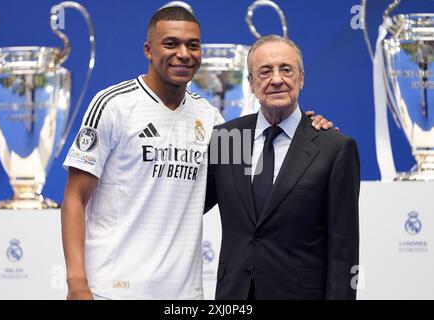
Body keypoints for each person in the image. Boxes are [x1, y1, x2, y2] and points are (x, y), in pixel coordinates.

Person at [61, 7, 332, 300]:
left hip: (186, 296)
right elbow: (75, 198)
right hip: (113, 290)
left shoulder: (213, 120)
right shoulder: (113, 105)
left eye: (193, 45)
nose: (183, 53)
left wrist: (305, 128)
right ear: (148, 50)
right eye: (171, 44)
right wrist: (77, 284)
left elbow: (250, 186)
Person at [205, 35, 360, 300]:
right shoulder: (229, 138)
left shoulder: (333, 147)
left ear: (301, 78)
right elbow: (190, 204)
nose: (276, 79)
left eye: (286, 69)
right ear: (251, 83)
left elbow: (343, 253)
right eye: (265, 71)